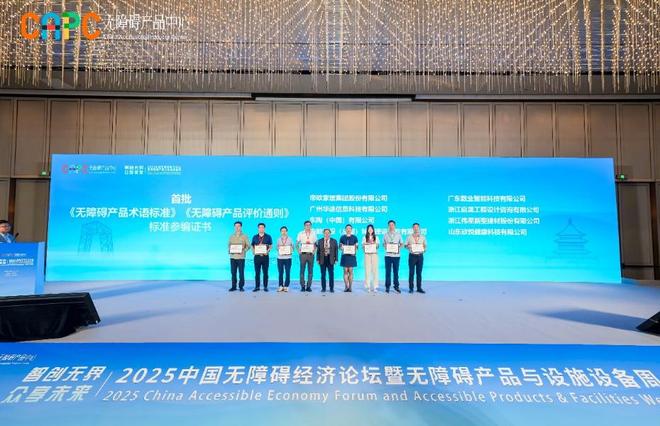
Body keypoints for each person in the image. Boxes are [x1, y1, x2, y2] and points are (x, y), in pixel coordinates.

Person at [228, 221, 251, 292]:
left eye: (238, 226)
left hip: (241, 257)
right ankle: (233, 286)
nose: (237, 227)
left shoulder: (245, 236)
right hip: (233, 257)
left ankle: (241, 287)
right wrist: (229, 250)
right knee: (233, 273)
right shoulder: (231, 236)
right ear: (234, 227)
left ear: (241, 227)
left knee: (241, 273)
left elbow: (248, 245)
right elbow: (229, 245)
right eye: (236, 226)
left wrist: (244, 251)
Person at [405, 222, 427, 294]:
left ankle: (419, 288)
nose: (415, 228)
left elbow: (425, 246)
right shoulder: (409, 237)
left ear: (419, 228)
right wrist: (408, 246)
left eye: (417, 227)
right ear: (412, 228)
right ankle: (411, 288)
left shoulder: (423, 237)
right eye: (414, 227)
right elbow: (405, 245)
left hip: (420, 256)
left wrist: (424, 249)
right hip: (412, 256)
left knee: (419, 273)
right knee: (411, 273)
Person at [382, 219, 403, 293]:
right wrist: (385, 246)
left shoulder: (398, 234)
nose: (391, 226)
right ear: (388, 226)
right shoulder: (385, 235)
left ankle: (396, 286)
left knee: (396, 272)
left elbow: (402, 244)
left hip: (396, 256)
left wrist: (398, 248)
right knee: (388, 272)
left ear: (395, 226)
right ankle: (387, 286)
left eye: (392, 225)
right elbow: (383, 243)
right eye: (390, 225)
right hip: (388, 256)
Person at [251, 223, 273, 292]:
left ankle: (265, 287)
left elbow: (271, 245)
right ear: (258, 228)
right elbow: (252, 245)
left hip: (265, 257)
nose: (261, 229)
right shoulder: (255, 237)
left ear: (264, 228)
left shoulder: (268, 236)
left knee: (265, 272)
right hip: (257, 257)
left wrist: (267, 251)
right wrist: (253, 251)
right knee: (257, 273)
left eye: (262, 227)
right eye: (260, 227)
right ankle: (257, 287)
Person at [296, 220, 317, 292]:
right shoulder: (300, 233)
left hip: (311, 254)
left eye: (309, 225)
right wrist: (298, 251)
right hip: (303, 254)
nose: (308, 226)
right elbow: (297, 243)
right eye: (306, 225)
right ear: (304, 226)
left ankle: (308, 286)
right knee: (302, 270)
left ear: (311, 226)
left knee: (310, 271)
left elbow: (316, 244)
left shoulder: (313, 233)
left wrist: (314, 251)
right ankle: (302, 286)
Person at [316, 228, 338, 293]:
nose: (327, 234)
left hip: (330, 259)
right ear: (323, 233)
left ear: (330, 233)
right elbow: (318, 251)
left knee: (331, 274)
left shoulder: (334, 241)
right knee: (323, 275)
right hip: (322, 259)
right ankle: (323, 288)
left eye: (328, 233)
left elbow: (336, 251)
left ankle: (331, 288)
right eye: (325, 233)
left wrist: (336, 259)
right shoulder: (320, 241)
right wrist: (317, 259)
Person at [339, 224, 358, 292]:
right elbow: (340, 247)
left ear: (351, 229)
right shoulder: (342, 237)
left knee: (351, 271)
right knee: (345, 271)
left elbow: (356, 247)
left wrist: (354, 252)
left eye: (349, 228)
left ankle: (350, 287)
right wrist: (342, 247)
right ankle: (346, 286)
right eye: (347, 228)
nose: (348, 229)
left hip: (352, 256)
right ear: (345, 229)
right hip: (344, 256)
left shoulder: (354, 237)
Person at [362, 224, 379, 293]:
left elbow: (377, 246)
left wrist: (374, 244)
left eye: (371, 228)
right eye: (369, 229)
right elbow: (363, 246)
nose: (370, 230)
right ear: (367, 230)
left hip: (374, 254)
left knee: (375, 270)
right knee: (367, 270)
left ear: (373, 229)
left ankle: (375, 286)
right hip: (367, 255)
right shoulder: (364, 237)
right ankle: (368, 286)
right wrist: (366, 245)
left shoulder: (376, 237)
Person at [276, 226, 294, 292]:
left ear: (287, 232)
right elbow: (277, 248)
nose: (283, 232)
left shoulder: (290, 239)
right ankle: (280, 286)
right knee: (280, 272)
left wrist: (289, 250)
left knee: (287, 272)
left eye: (285, 231)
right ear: (280, 232)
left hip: (288, 258)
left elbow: (293, 248)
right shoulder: (278, 239)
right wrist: (280, 248)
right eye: (282, 231)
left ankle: (286, 286)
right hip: (280, 258)